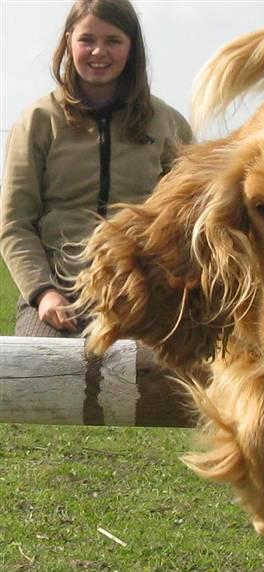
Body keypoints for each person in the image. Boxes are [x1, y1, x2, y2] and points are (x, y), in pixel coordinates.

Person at [0, 0, 193, 337]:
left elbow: (189, 216)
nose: (98, 51)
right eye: (87, 39)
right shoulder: (38, 122)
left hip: (142, 296)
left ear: (131, 48)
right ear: (69, 41)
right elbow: (15, 223)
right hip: (59, 295)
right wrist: (42, 293)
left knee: (159, 385)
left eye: (113, 41)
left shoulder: (167, 124)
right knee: (39, 378)